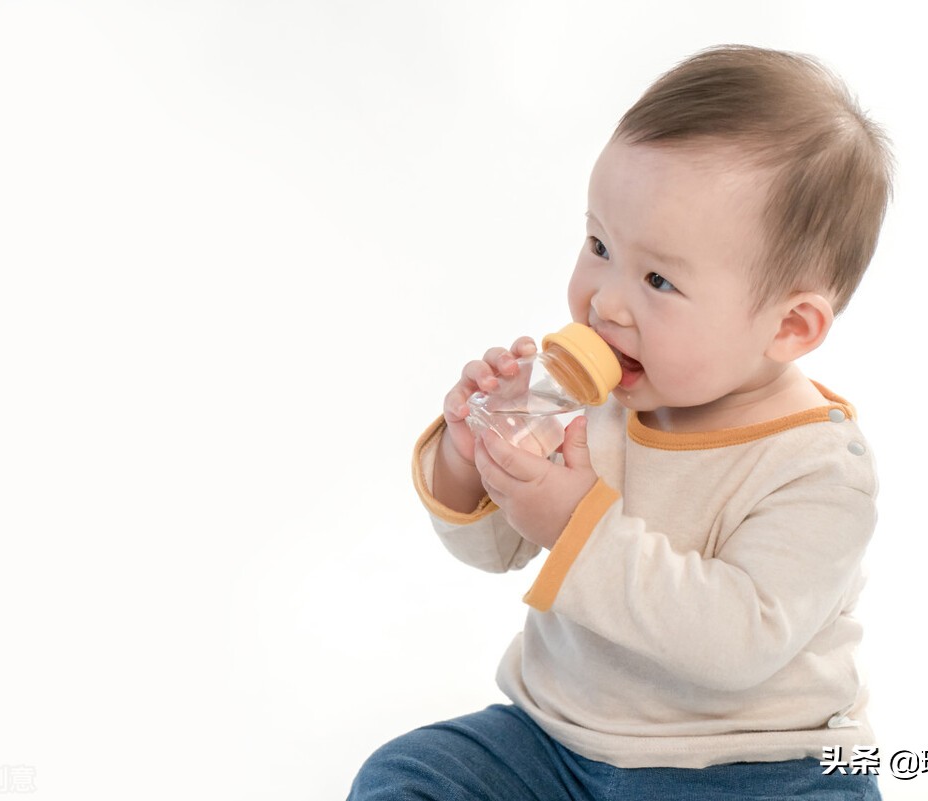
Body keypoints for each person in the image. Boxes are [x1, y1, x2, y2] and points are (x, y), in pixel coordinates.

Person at [350, 44, 893, 800]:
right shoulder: (606, 394)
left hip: (750, 764)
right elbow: (499, 542)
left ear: (790, 327)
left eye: (658, 279)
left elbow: (737, 642)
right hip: (557, 737)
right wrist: (477, 460)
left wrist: (577, 518)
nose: (604, 300)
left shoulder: (820, 468)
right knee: (410, 776)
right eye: (599, 244)